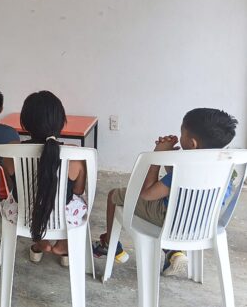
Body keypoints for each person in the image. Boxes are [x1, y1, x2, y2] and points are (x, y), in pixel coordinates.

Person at [93, 108, 238, 276]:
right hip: (204, 223)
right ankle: (173, 251)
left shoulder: (185, 169)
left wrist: (157, 157)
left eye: (182, 132)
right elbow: (178, 184)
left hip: (170, 220)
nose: (180, 136)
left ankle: (109, 244)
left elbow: (147, 194)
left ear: (192, 143)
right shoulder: (226, 165)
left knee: (114, 195)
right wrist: (169, 158)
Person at [18, 91, 87, 266]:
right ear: (61, 122)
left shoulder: (12, 151)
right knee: (78, 202)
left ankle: (40, 241)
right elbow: (78, 191)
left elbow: (14, 189)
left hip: (24, 216)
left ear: (25, 123)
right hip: (63, 219)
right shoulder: (75, 155)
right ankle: (63, 246)